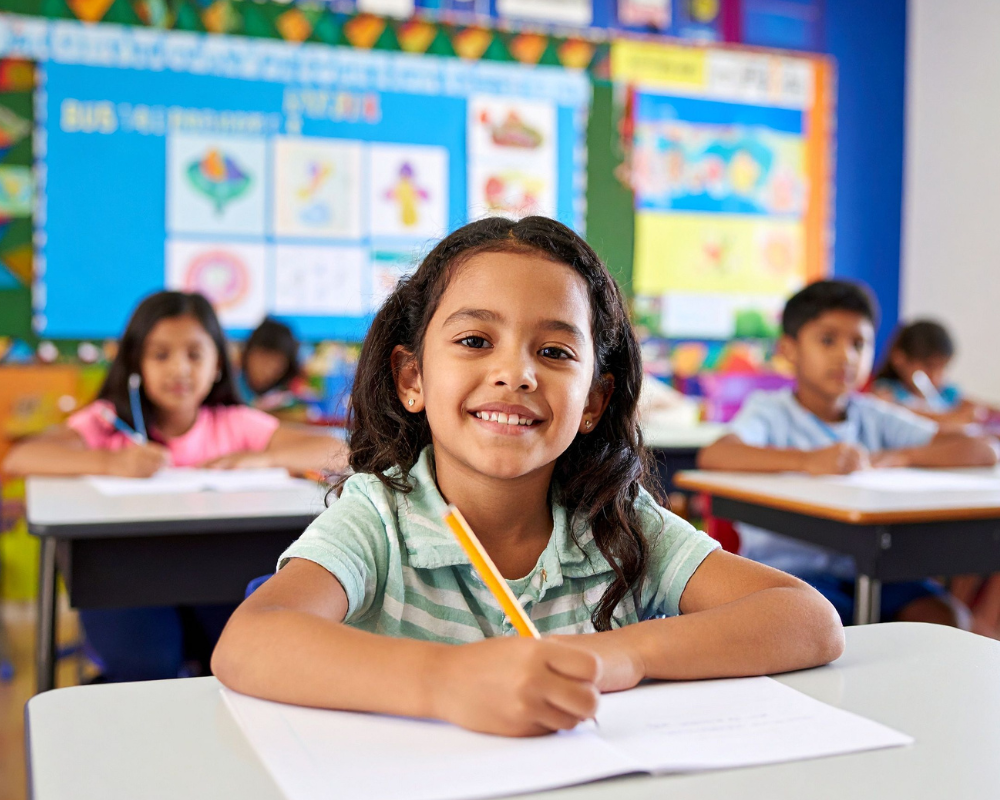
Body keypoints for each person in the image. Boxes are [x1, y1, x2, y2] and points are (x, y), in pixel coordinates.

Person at [212, 216, 844, 738]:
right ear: (412, 379)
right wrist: (445, 681)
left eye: (554, 352)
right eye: (474, 341)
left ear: (593, 401)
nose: (516, 373)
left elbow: (806, 618)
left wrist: (616, 656)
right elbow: (250, 642)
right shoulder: (379, 516)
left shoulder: (617, 523)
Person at [3, 291, 347, 681]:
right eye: (161, 355)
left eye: (195, 355)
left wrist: (263, 457)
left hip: (220, 574)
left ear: (218, 364)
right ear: (136, 363)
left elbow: (340, 450)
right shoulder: (107, 422)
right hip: (125, 578)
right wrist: (111, 462)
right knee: (146, 665)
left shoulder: (234, 423)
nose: (179, 369)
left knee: (245, 654)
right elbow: (21, 458)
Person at [698, 280, 999, 628]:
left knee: (948, 619)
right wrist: (807, 461)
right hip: (792, 574)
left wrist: (903, 456)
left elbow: (982, 450)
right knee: (815, 628)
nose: (847, 356)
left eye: (859, 344)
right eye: (828, 340)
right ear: (789, 349)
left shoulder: (872, 413)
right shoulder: (770, 411)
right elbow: (716, 454)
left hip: (876, 572)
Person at [871, 319, 999, 426]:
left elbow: (984, 409)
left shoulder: (945, 393)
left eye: (942, 368)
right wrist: (952, 418)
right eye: (929, 366)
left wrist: (977, 414)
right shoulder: (885, 393)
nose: (936, 376)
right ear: (899, 358)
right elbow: (902, 417)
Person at [239, 317, 313, 416]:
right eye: (263, 359)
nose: (267, 370)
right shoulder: (230, 389)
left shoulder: (286, 400)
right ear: (247, 354)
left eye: (277, 364)